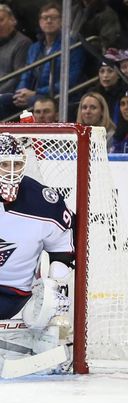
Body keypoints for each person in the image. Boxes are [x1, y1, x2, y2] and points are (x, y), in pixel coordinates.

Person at [0, 133, 74, 375]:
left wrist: (53, 289)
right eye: (3, 164)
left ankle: (52, 342)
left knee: (56, 306)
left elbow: (62, 251)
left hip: (13, 295)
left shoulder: (43, 202)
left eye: (17, 164)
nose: (11, 172)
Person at [0, 3, 84, 118]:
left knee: (33, 101)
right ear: (40, 22)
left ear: (62, 21)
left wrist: (37, 93)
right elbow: (26, 74)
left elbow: (69, 80)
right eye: (45, 18)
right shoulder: (34, 47)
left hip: (56, 95)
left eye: (53, 18)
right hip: (34, 95)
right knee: (4, 100)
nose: (48, 21)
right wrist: (20, 92)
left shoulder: (71, 45)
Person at [0, 4, 32, 95]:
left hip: (9, 94)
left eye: (1, 20)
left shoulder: (22, 43)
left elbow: (18, 76)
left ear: (12, 20)